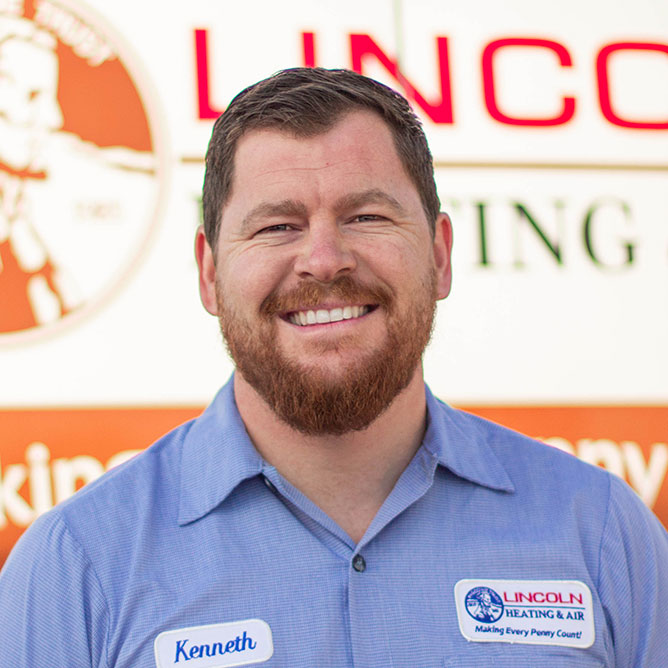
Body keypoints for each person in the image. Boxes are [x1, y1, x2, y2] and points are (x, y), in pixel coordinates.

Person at [0, 67, 666, 667]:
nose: (324, 259)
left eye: (367, 215)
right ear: (208, 273)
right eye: (277, 227)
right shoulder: (77, 566)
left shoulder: (601, 531)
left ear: (439, 255)